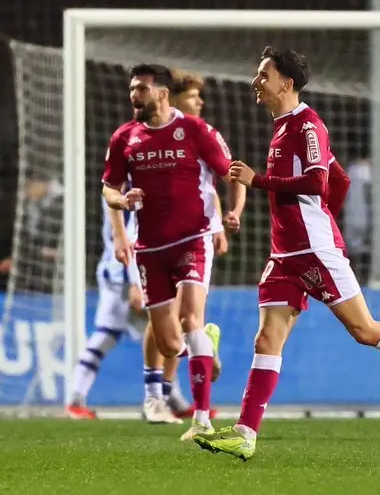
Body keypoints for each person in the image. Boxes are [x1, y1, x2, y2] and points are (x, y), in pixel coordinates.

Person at [192, 46, 380, 461]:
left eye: (263, 75)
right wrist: (320, 213)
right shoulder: (283, 128)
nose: (256, 82)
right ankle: (246, 434)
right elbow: (338, 179)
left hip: (314, 251)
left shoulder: (308, 125)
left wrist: (263, 183)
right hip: (286, 254)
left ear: (286, 83)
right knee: (267, 338)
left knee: (364, 330)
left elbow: (319, 182)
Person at [101, 63, 246, 440]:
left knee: (191, 319)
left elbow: (231, 173)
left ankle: (200, 419)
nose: (135, 94)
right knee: (168, 340)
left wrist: (233, 213)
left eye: (142, 88)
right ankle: (199, 352)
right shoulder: (124, 138)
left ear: (162, 93)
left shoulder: (196, 130)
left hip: (192, 240)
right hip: (149, 248)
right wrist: (121, 201)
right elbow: (108, 189)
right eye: (132, 89)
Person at [137, 69, 225, 420]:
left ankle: (164, 392)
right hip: (152, 239)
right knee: (163, 321)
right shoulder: (142, 135)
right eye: (192, 97)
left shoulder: (199, 135)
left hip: (191, 237)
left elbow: (209, 186)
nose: (199, 103)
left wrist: (218, 224)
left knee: (182, 316)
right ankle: (163, 388)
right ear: (170, 99)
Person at [64, 192, 179, 420]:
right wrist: (135, 283)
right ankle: (75, 399)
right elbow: (129, 238)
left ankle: (169, 399)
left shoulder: (117, 185)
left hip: (123, 271)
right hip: (124, 275)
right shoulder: (129, 188)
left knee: (163, 335)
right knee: (111, 335)